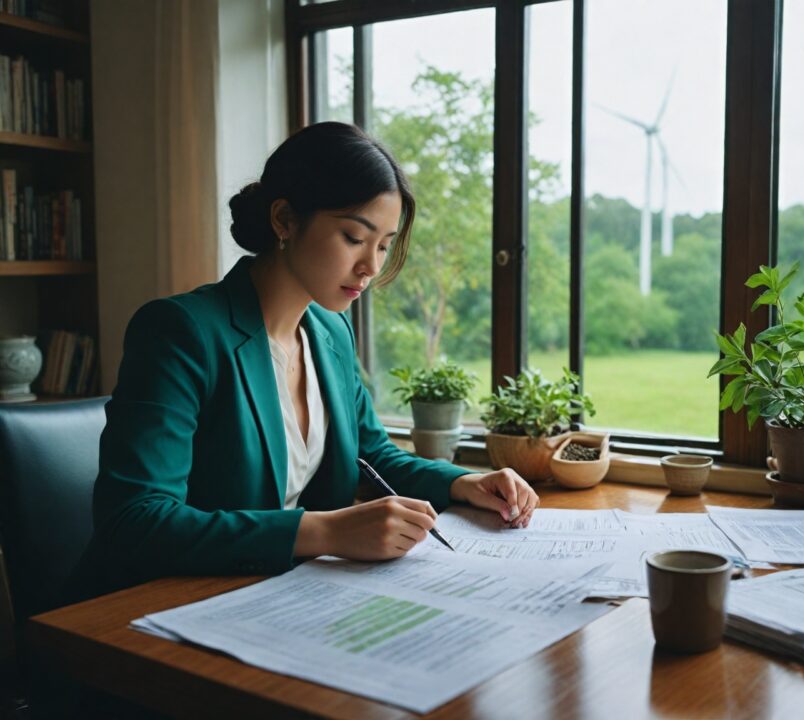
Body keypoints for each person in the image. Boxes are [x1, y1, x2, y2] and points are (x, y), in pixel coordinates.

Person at [71, 121, 538, 599]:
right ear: (284, 220)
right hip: (150, 608)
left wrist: (467, 483)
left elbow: (371, 456)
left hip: (278, 596)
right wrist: (327, 532)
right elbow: (134, 520)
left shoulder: (330, 332)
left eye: (383, 245)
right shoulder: (180, 331)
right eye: (354, 238)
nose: (371, 268)